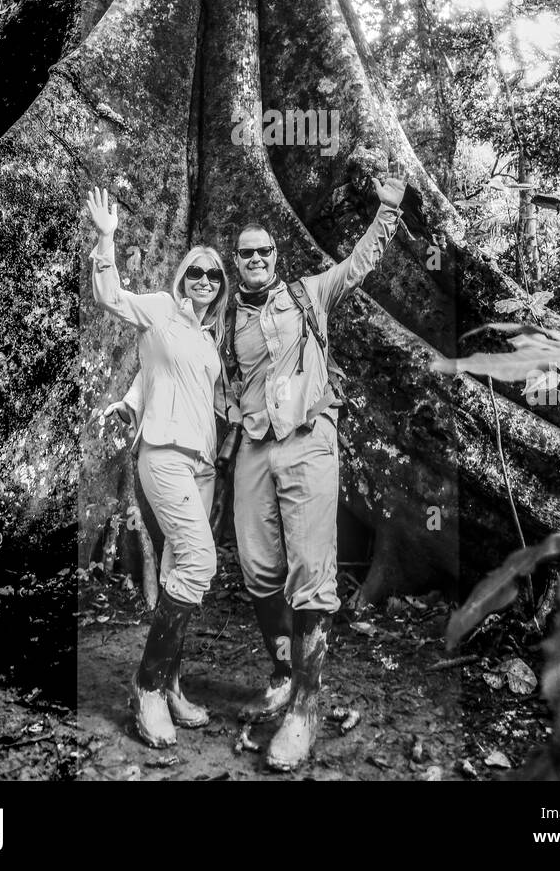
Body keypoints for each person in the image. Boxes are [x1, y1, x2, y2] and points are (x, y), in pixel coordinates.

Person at [224, 169, 407, 771]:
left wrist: (389, 210)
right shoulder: (228, 318)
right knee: (256, 569)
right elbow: (216, 380)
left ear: (276, 256)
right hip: (253, 449)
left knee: (311, 574)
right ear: (236, 261)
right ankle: (282, 671)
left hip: (308, 443)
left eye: (264, 250)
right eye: (246, 252)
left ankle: (304, 705)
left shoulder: (308, 293)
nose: (256, 258)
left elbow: (358, 264)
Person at [86, 186, 229, 749]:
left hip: (202, 464)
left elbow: (158, 380)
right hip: (164, 456)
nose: (204, 282)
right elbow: (109, 296)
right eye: (196, 272)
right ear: (182, 275)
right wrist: (106, 236)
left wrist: (131, 399)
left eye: (213, 277)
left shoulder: (207, 337)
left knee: (179, 574)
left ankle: (170, 684)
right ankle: (147, 686)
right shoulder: (162, 310)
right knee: (199, 561)